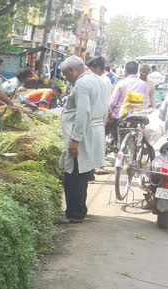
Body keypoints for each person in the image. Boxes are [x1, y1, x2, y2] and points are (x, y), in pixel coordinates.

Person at [59, 56, 109, 223]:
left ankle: (74, 214)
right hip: (94, 130)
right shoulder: (101, 80)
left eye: (66, 75)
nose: (67, 79)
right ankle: (80, 209)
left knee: (73, 175)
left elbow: (83, 112)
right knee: (82, 174)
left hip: (84, 133)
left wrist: (75, 139)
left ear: (72, 71)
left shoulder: (82, 83)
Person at [107, 61, 148, 144]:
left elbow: (113, 102)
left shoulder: (121, 83)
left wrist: (109, 110)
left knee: (107, 125)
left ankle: (112, 141)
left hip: (120, 116)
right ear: (137, 71)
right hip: (136, 116)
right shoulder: (143, 84)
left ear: (125, 71)